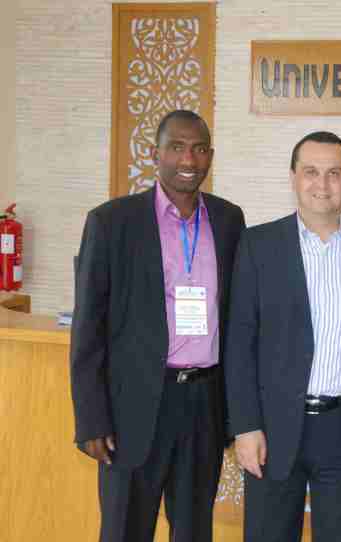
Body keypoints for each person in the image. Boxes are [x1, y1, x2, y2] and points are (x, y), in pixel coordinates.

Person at [70, 109, 246, 542]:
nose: (189, 159)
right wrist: (91, 418)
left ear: (210, 157)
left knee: (194, 531)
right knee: (125, 530)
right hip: (133, 408)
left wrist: (236, 415)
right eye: (177, 147)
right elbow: (88, 328)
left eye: (199, 149)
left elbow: (238, 318)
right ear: (155, 154)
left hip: (204, 405)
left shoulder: (229, 220)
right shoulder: (112, 222)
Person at [225, 131, 341, 542]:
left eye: (334, 173)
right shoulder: (258, 244)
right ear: (293, 178)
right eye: (311, 172)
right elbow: (239, 343)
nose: (323, 184)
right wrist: (245, 426)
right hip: (273, 429)